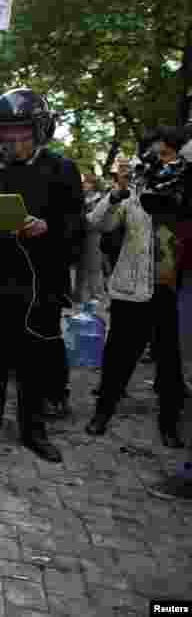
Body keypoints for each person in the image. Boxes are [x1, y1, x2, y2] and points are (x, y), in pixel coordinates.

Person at [0, 88, 84, 463]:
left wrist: (47, 227)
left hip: (39, 283)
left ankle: (33, 430)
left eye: (22, 133)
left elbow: (76, 225)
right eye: (6, 133)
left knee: (34, 362)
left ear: (40, 131)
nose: (13, 141)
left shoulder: (62, 170)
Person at [84, 126, 188, 449]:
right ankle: (102, 414)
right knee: (117, 357)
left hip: (168, 288)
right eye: (156, 155)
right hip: (131, 289)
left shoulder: (184, 187)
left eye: (167, 154)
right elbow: (98, 223)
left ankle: (169, 425)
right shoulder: (133, 190)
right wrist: (118, 191)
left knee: (169, 365)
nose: (162, 161)